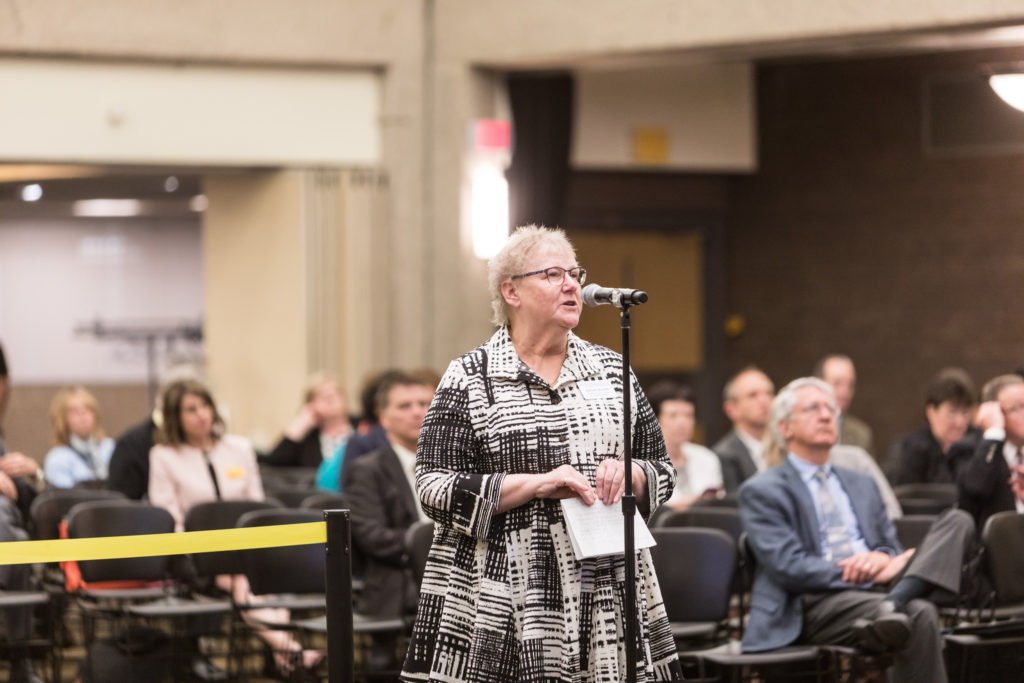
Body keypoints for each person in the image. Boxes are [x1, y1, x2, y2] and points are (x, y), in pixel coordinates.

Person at [401, 225, 681, 682]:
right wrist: (535, 484)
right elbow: (432, 486)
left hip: (606, 581)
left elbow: (664, 472)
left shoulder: (612, 370)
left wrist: (633, 473)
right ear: (511, 291)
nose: (573, 284)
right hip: (503, 582)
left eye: (575, 272)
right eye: (553, 274)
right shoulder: (472, 376)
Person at [739, 377, 975, 683]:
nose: (826, 415)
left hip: (876, 592)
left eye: (830, 408)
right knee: (920, 613)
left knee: (959, 520)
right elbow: (788, 566)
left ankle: (895, 600)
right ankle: (899, 600)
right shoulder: (763, 489)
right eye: (813, 408)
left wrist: (882, 557)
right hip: (812, 603)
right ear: (785, 428)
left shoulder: (860, 482)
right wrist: (862, 570)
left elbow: (888, 545)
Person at [147, 379, 321, 676]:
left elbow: (256, 506)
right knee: (248, 582)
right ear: (175, 417)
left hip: (249, 546)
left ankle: (285, 655)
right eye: (191, 409)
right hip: (197, 555)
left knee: (259, 580)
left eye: (205, 406)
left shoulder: (238, 448)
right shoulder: (163, 456)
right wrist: (201, 547)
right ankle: (288, 648)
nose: (201, 414)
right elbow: (169, 517)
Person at [347, 371, 434, 669]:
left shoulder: (451, 465)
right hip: (398, 577)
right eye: (404, 405)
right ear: (384, 418)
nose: (417, 411)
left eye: (424, 402)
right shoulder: (367, 470)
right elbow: (372, 537)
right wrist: (432, 549)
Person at [958, 373, 1024, 531]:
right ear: (995, 413)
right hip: (995, 551)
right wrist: (994, 432)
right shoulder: (968, 449)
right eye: (1018, 408)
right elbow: (975, 489)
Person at [891, 368, 978, 485]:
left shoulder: (978, 446)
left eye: (965, 412)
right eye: (952, 412)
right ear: (931, 412)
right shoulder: (908, 449)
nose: (960, 422)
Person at [646, 380, 723, 509]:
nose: (683, 422)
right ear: (654, 420)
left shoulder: (707, 458)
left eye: (688, 415)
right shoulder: (642, 463)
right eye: (673, 415)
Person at [262, 373, 353, 469]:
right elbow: (273, 463)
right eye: (322, 394)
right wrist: (300, 424)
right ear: (310, 404)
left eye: (335, 392)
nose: (330, 397)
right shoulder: (307, 440)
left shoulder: (363, 428)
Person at [712, 366, 774, 493]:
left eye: (769, 393)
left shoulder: (789, 448)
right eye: (753, 395)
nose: (764, 400)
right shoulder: (722, 457)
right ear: (731, 409)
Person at [43, 386, 115, 488]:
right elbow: (64, 499)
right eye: (74, 411)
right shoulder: (58, 457)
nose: (82, 415)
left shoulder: (109, 447)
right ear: (62, 420)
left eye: (87, 409)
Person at [813, 353, 874, 455]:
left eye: (850, 385)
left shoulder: (861, 433)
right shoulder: (798, 426)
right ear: (818, 384)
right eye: (837, 383)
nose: (845, 392)